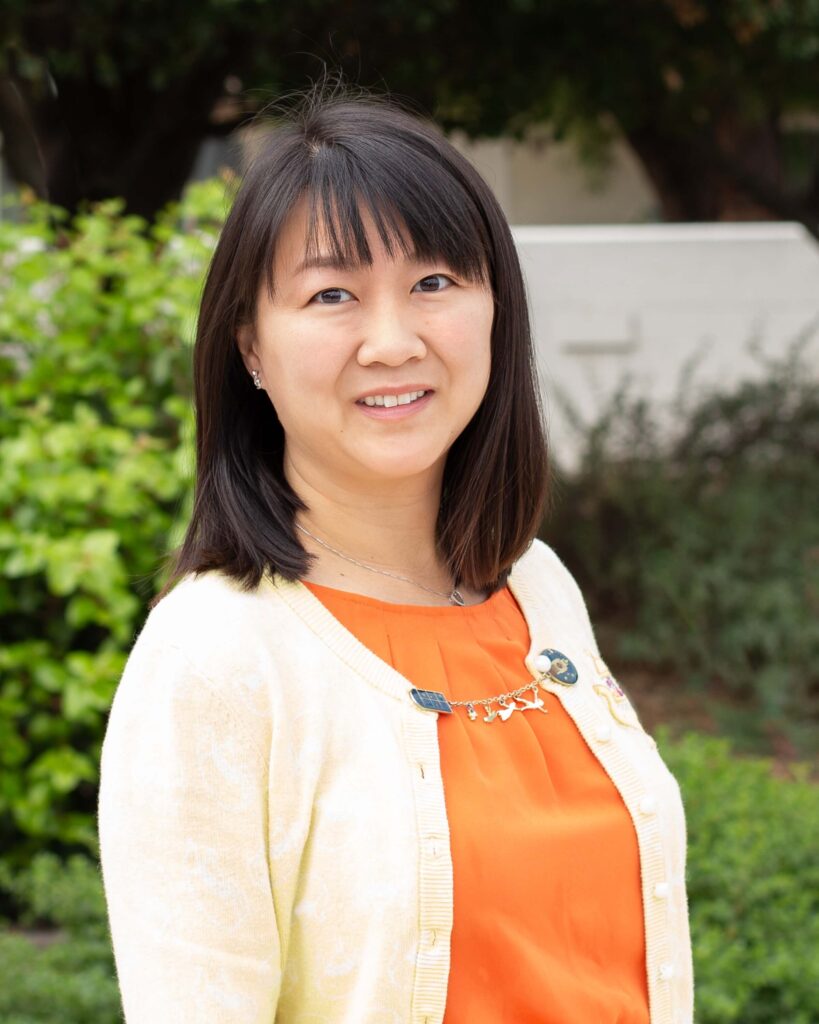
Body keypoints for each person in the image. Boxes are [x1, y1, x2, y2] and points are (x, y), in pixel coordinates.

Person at [97, 80, 694, 1024]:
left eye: (433, 283)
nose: (391, 341)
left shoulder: (536, 585)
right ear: (249, 345)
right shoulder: (213, 658)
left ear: (495, 307)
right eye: (331, 294)